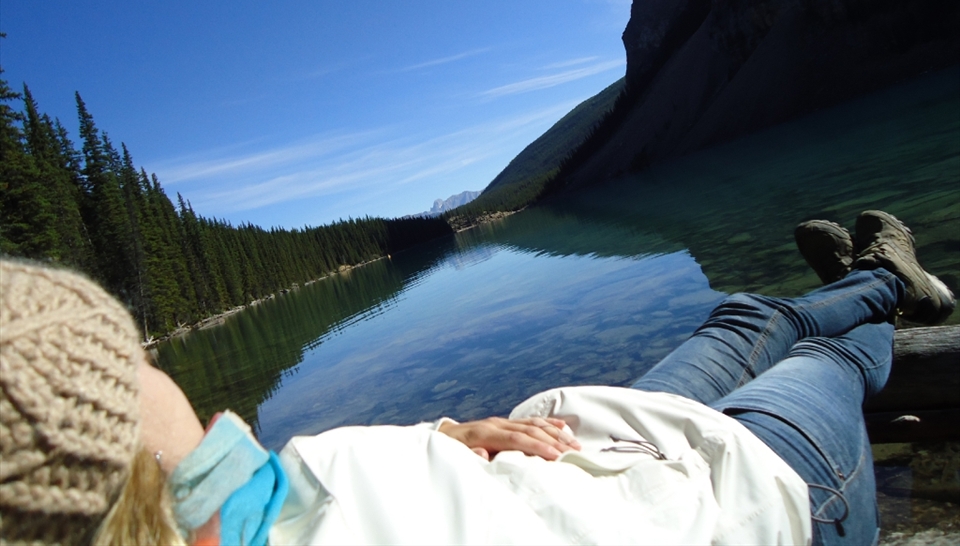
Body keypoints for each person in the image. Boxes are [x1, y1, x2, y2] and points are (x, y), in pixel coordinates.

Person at [0, 210, 954, 545]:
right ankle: (888, 296)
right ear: (108, 442)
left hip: (597, 427)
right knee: (818, 359)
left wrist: (451, 436)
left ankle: (876, 281)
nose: (154, 361)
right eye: (130, 358)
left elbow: (313, 491)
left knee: (743, 317)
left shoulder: (237, 494)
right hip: (745, 497)